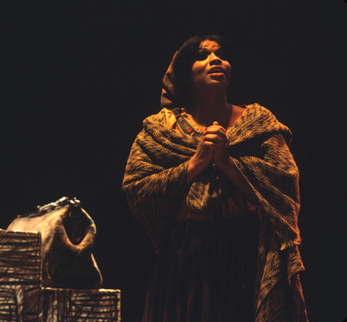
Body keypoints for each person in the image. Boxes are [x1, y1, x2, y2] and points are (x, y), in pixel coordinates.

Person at [122, 35, 308, 322]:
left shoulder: (256, 123)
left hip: (243, 257)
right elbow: (138, 191)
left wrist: (227, 163)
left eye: (220, 54)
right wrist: (196, 163)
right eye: (202, 55)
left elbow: (283, 193)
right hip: (183, 264)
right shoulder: (162, 130)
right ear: (185, 75)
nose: (215, 59)